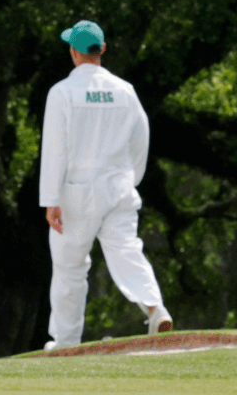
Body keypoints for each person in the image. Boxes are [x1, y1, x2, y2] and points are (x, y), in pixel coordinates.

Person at [40, 21, 173, 349]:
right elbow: (141, 138)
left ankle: (66, 342)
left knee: (70, 268)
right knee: (127, 250)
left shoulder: (62, 92)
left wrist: (50, 199)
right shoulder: (125, 90)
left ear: (74, 52)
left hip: (76, 191)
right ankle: (155, 307)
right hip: (118, 185)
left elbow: (54, 148)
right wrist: (130, 178)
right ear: (102, 50)